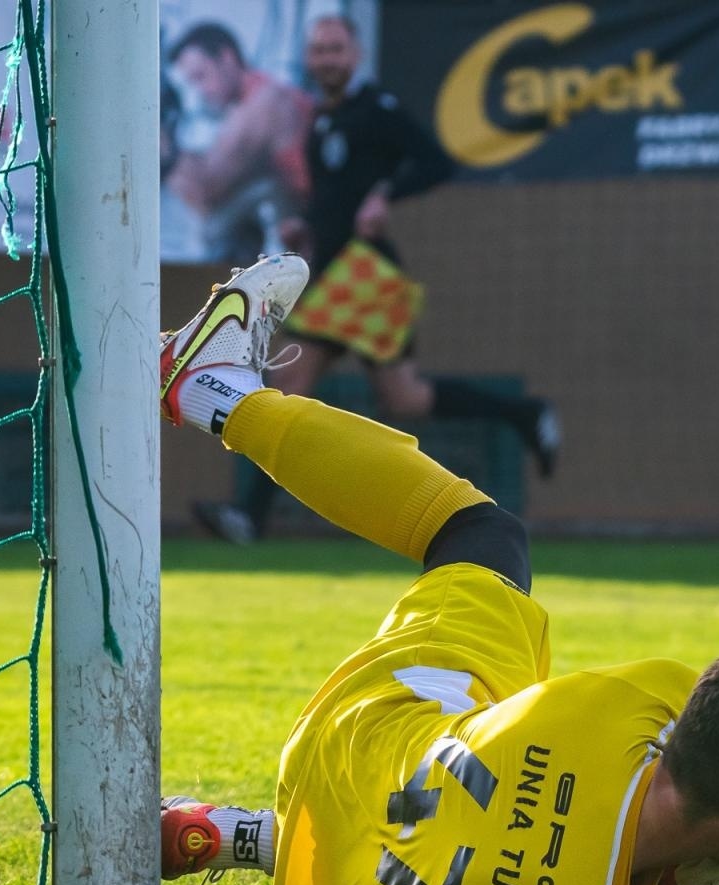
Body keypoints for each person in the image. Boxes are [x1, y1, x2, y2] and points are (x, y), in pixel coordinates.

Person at [157, 255, 719, 885]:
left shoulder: (627, 707)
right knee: (437, 861)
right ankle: (247, 835)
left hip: (352, 738)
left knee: (480, 534)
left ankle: (219, 392)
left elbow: (706, 731)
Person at [192, 14, 561, 547]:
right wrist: (306, 225)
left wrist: (385, 194)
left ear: (355, 54)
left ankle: (249, 516)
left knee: (349, 394)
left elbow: (436, 161)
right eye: (318, 51)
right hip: (338, 276)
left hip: (366, 275)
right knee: (379, 396)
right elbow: (331, 201)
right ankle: (524, 414)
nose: (326, 59)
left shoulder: (378, 111)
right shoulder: (321, 121)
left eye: (336, 49)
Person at [163, 22, 315, 261]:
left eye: (201, 76)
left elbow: (205, 186)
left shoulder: (266, 100)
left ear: (227, 58)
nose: (200, 91)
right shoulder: (242, 106)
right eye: (191, 82)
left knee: (215, 228)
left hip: (307, 228)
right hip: (298, 228)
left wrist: (164, 151)